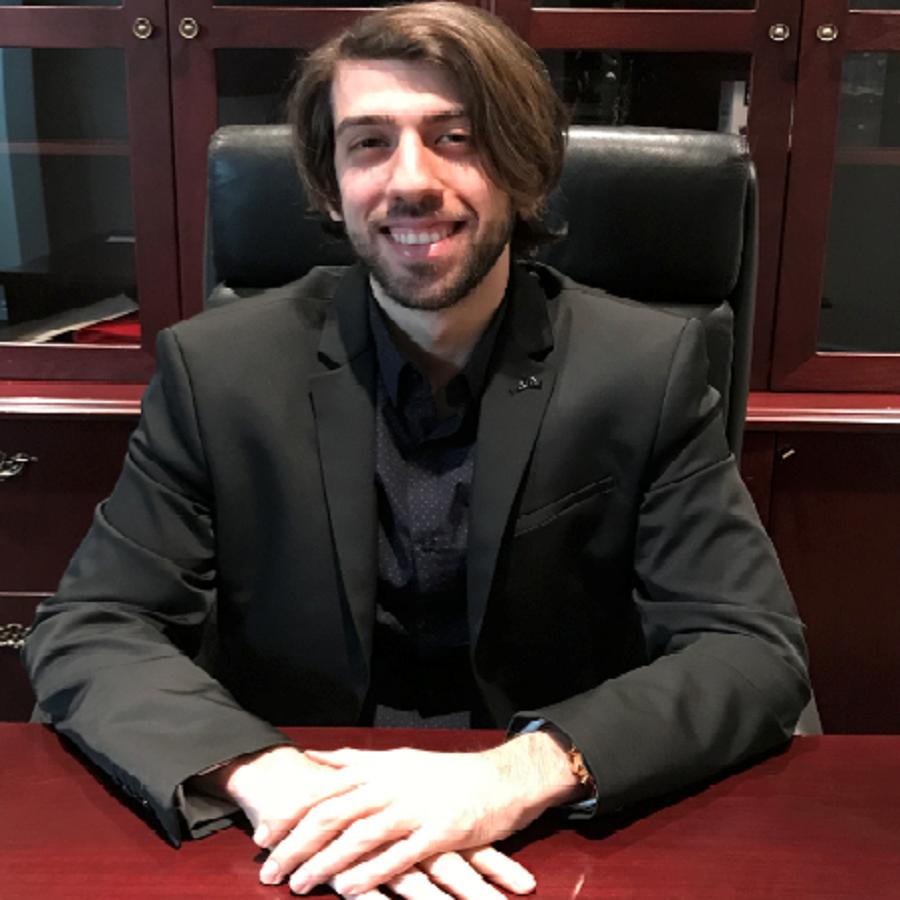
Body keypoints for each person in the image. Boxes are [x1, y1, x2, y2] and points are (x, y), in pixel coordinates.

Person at [24, 3, 810, 898]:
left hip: (545, 835)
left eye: (456, 138)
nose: (411, 181)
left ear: (524, 168)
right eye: (369, 143)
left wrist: (511, 775)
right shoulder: (219, 371)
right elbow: (94, 622)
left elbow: (751, 646)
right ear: (330, 185)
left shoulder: (642, 369)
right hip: (298, 833)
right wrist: (270, 776)